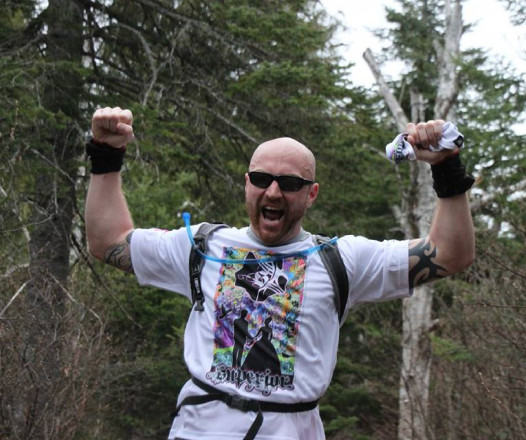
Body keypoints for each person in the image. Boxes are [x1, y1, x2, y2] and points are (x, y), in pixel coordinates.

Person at [85, 107, 475, 440]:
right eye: (260, 179)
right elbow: (107, 241)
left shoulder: (342, 259)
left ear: (312, 194)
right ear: (246, 184)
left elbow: (450, 254)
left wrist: (446, 166)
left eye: (289, 183)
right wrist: (106, 153)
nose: (272, 192)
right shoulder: (202, 246)